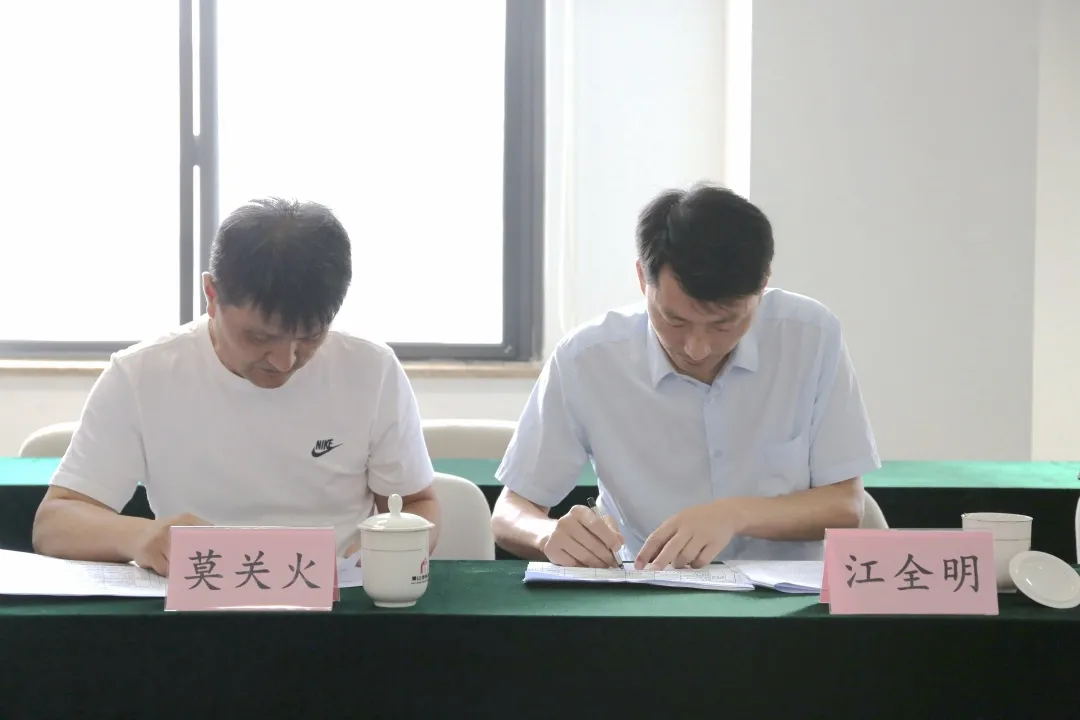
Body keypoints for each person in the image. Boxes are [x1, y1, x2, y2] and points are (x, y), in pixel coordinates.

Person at [32, 198, 440, 575]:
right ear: (212, 295)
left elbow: (417, 502)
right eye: (260, 337)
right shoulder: (143, 375)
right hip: (199, 597)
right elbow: (54, 523)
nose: (284, 362)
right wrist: (141, 536)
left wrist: (394, 547)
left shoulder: (370, 369)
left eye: (310, 337)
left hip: (336, 602)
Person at [492, 183, 878, 570]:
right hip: (648, 590)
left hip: (786, 594)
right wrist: (546, 534)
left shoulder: (809, 336)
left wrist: (736, 514)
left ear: (763, 285)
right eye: (674, 320)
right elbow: (511, 511)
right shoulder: (586, 359)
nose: (697, 348)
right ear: (642, 278)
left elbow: (844, 505)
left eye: (724, 324)